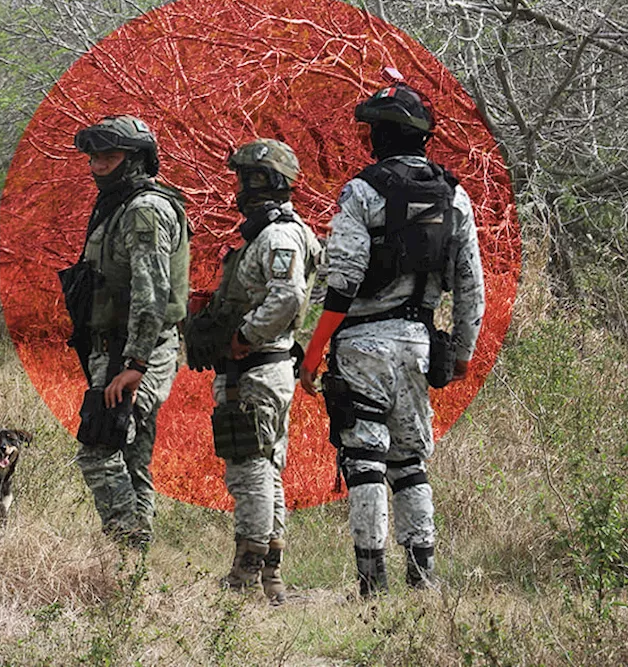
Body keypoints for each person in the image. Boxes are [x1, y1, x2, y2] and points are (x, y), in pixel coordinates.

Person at [299, 83, 485, 595]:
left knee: (365, 459)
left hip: (361, 344)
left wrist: (313, 355)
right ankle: (423, 580)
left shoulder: (362, 191)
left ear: (380, 135)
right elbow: (472, 286)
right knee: (410, 462)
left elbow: (341, 284)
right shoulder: (456, 195)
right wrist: (463, 352)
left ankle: (371, 583)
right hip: (420, 343)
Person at [185, 139, 321, 605]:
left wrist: (243, 335)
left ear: (267, 181)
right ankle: (270, 578)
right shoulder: (273, 233)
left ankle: (246, 574)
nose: (242, 187)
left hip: (256, 371)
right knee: (266, 469)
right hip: (263, 368)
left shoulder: (279, 235)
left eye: (249, 178)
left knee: (250, 471)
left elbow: (287, 298)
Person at [62, 115, 189, 548]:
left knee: (99, 448)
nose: (98, 166)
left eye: (110, 157)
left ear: (136, 160)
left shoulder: (143, 211)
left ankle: (127, 546)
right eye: (94, 157)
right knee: (133, 457)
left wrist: (134, 364)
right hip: (120, 347)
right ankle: (135, 570)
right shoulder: (119, 205)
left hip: (137, 352)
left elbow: (151, 294)